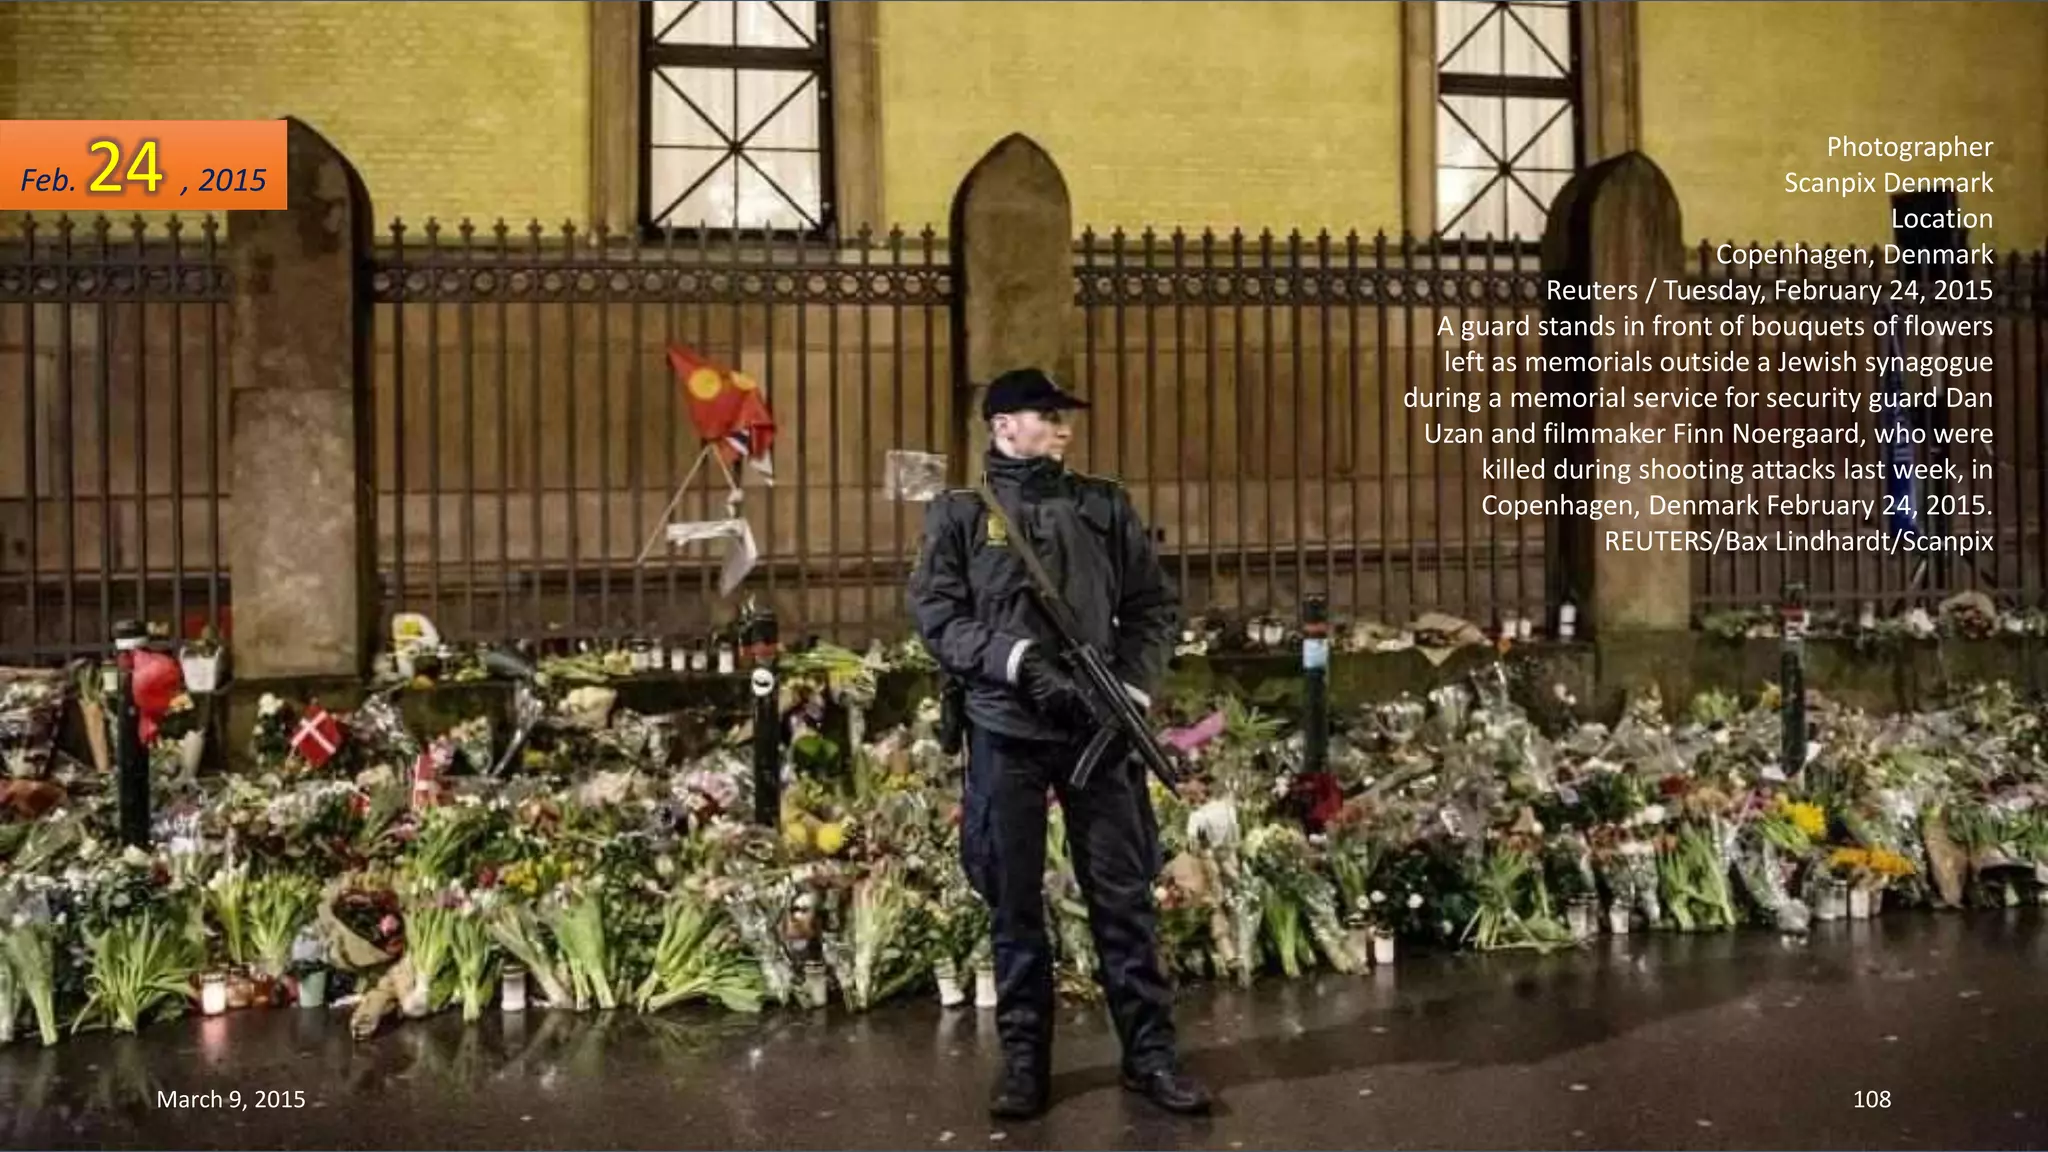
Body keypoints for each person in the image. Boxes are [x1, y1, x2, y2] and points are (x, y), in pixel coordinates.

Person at [909, 367, 1212, 1120]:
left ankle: (1150, 1056)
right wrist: (1017, 664)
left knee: (1122, 899)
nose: (1064, 425)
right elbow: (938, 617)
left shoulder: (1102, 504)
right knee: (1014, 902)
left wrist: (1131, 692)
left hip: (1098, 731)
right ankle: (1023, 1063)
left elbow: (1151, 607)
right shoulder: (958, 515)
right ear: (1003, 425)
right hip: (1006, 728)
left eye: (1063, 415)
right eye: (1047, 414)